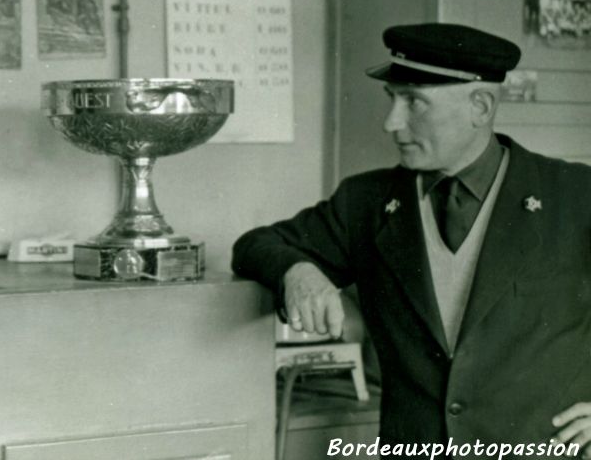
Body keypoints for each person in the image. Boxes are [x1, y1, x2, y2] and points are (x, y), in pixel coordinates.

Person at [231, 23, 591, 456]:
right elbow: (256, 245)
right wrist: (299, 271)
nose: (391, 122)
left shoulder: (574, 195)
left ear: (480, 105)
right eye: (392, 99)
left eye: (414, 102)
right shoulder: (366, 202)